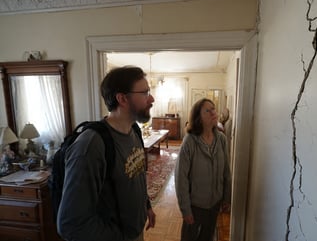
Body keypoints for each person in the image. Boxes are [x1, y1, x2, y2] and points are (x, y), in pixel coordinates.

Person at [57, 66, 156, 241]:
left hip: (135, 232)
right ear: (122, 98)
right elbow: (70, 224)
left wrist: (146, 206)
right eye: (145, 93)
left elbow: (136, 177)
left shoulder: (134, 130)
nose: (152, 98)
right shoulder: (91, 146)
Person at [174, 98, 232, 241]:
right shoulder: (189, 142)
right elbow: (181, 178)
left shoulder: (222, 139)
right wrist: (185, 209)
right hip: (195, 206)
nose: (214, 112)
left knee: (207, 237)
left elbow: (226, 171)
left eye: (214, 109)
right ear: (198, 117)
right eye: (208, 110)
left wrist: (227, 197)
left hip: (215, 204)